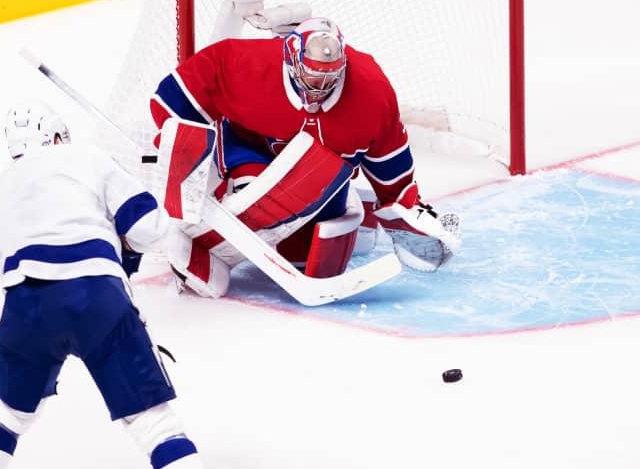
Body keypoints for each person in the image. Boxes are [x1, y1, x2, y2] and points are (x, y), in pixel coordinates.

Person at [0, 101, 208, 469]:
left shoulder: (2, 188)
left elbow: (3, 266)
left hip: (24, 307)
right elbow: (148, 228)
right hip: (96, 298)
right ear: (57, 136)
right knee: (156, 427)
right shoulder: (87, 157)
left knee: (6, 416)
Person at [150, 17, 460, 298]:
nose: (319, 89)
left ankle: (361, 217)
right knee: (256, 198)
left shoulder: (371, 90)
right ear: (291, 60)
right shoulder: (245, 63)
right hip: (251, 151)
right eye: (312, 78)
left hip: (322, 178)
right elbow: (170, 99)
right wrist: (184, 151)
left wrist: (402, 204)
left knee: (305, 257)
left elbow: (389, 156)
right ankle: (208, 247)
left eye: (329, 79)